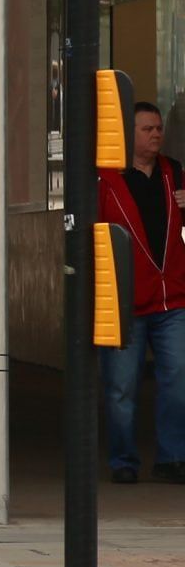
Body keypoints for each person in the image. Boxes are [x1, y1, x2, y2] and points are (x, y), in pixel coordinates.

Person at [98, 101, 185, 485]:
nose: (156, 134)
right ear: (128, 135)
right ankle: (123, 460)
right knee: (121, 388)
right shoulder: (106, 180)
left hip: (173, 300)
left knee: (179, 380)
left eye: (158, 127)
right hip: (124, 302)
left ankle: (172, 457)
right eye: (147, 128)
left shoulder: (175, 173)